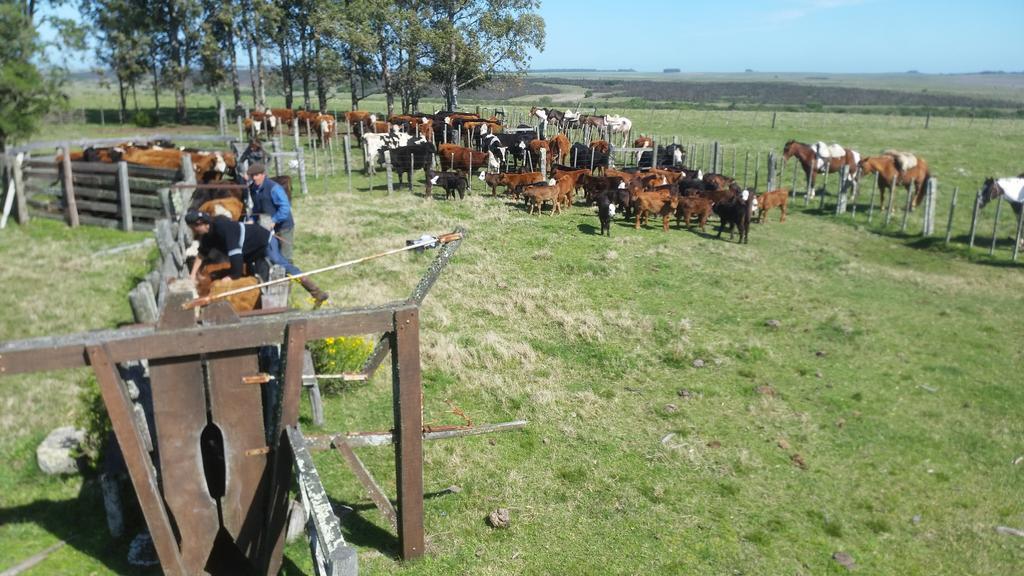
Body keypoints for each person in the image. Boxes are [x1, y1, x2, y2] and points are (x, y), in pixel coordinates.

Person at [185, 210, 328, 308]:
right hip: (249, 251)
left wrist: (232, 276)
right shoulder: (208, 236)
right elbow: (201, 254)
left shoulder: (223, 227)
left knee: (279, 261)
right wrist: (192, 275)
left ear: (200, 224)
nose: (193, 232)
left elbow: (235, 254)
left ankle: (315, 291)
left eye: (193, 228)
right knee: (253, 275)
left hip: (263, 241)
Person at [246, 162, 296, 260]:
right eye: (252, 176)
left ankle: (290, 274)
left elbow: (285, 207)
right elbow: (257, 208)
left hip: (284, 226)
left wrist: (274, 221)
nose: (254, 178)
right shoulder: (252, 189)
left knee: (285, 256)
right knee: (270, 254)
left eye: (256, 175)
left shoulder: (274, 188)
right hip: (267, 224)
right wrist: (253, 219)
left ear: (263, 174)